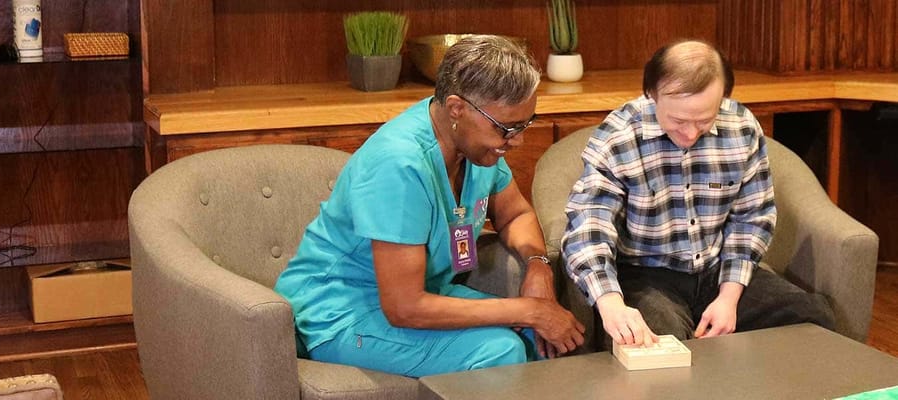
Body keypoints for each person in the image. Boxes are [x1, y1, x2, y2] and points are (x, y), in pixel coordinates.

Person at [276, 35, 585, 377]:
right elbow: (404, 307)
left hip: (426, 295)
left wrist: (538, 267)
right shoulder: (398, 164)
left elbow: (515, 214)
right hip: (342, 313)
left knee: (540, 338)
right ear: (456, 109)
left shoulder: (476, 146)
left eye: (525, 124)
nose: (518, 140)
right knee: (501, 350)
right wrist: (528, 310)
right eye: (507, 128)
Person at [561, 39, 835, 349]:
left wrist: (728, 298)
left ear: (723, 98)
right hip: (646, 275)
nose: (690, 134)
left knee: (813, 317)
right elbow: (589, 224)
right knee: (658, 347)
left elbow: (751, 218)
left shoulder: (741, 127)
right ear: (652, 94)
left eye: (704, 120)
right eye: (678, 121)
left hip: (717, 271)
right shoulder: (619, 136)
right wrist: (611, 304)